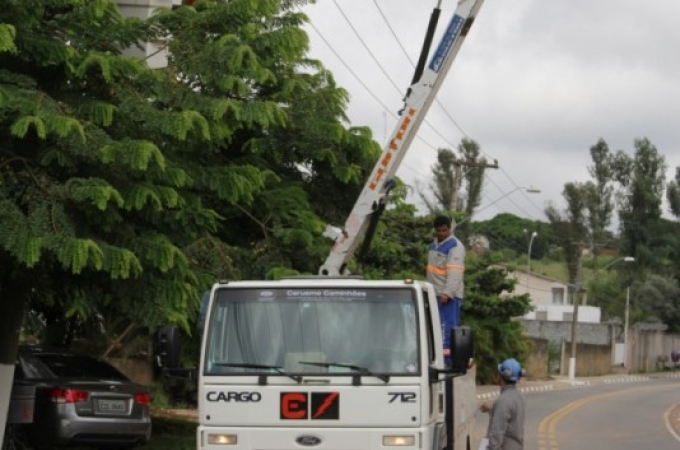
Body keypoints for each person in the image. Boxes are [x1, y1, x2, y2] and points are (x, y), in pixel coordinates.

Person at [426, 215, 465, 361]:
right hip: (434, 294)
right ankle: (435, 358)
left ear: (450, 228)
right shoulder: (433, 245)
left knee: (446, 331)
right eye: (439, 231)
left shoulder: (455, 246)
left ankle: (446, 362)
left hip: (448, 297)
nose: (442, 233)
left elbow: (455, 273)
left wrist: (447, 293)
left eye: (445, 230)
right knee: (434, 328)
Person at [479, 358, 526, 450]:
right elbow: (510, 416)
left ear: (502, 376)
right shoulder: (519, 397)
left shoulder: (503, 400)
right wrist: (491, 409)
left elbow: (497, 432)